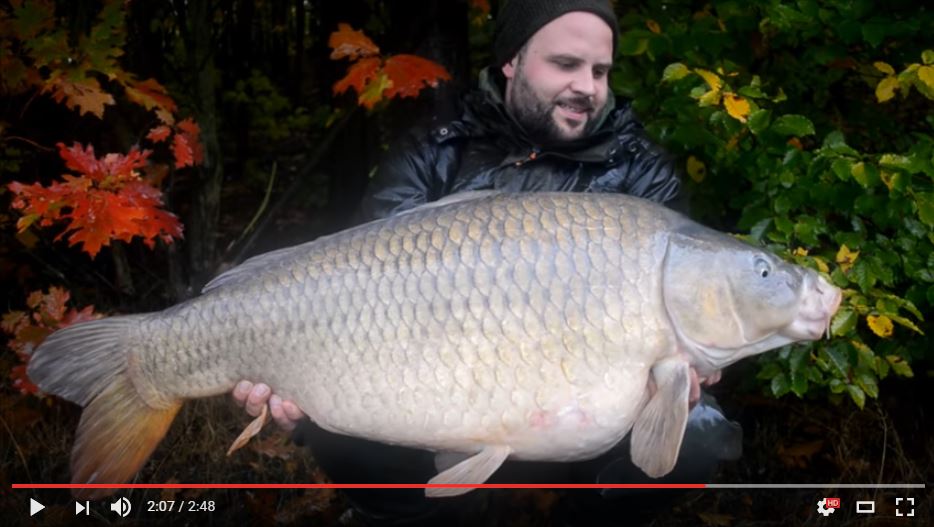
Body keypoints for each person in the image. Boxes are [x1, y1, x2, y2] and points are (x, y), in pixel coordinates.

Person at [233, 1, 741, 524]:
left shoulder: (639, 172)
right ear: (511, 61)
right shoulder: (435, 153)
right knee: (334, 430)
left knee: (697, 437)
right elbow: (354, 301)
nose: (587, 87)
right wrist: (295, 385)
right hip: (433, 409)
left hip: (581, 427)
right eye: (566, 64)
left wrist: (676, 380)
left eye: (600, 71)